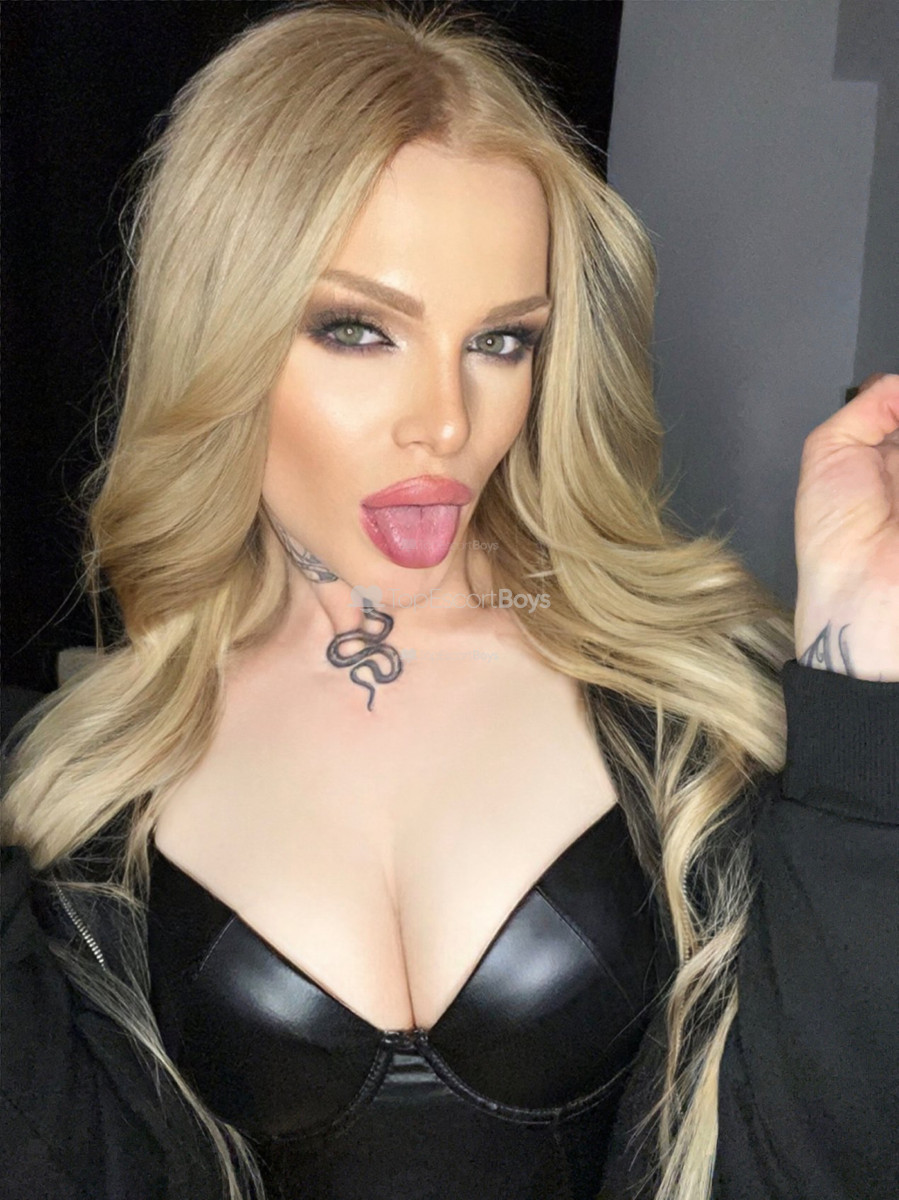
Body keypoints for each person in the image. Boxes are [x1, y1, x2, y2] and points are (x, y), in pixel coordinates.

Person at [2, 3, 897, 1199]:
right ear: (218, 336)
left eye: (501, 343)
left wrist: (867, 683)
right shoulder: (90, 784)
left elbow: (823, 1147)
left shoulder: (684, 706)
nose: (445, 421)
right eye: (357, 330)